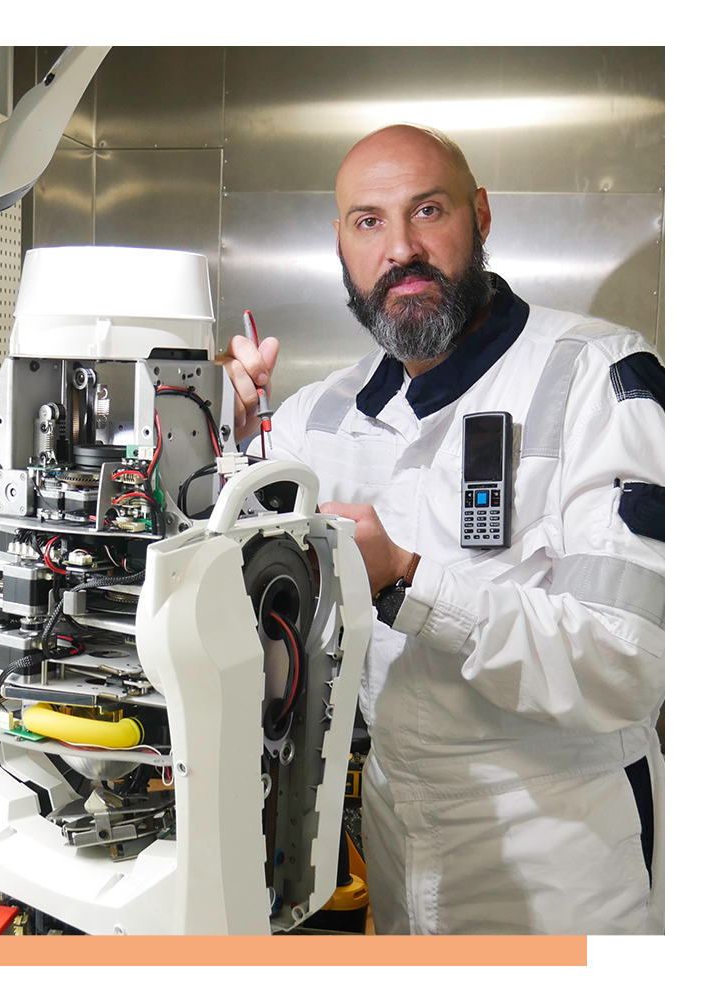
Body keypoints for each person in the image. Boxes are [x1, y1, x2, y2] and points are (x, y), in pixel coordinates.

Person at [225, 123, 664, 936]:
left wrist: (407, 579)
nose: (401, 248)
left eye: (428, 211)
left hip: (565, 851)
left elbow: (626, 661)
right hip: (397, 838)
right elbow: (206, 540)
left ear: (480, 216)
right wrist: (229, 433)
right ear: (342, 245)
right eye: (370, 222)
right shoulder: (320, 415)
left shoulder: (597, 375)